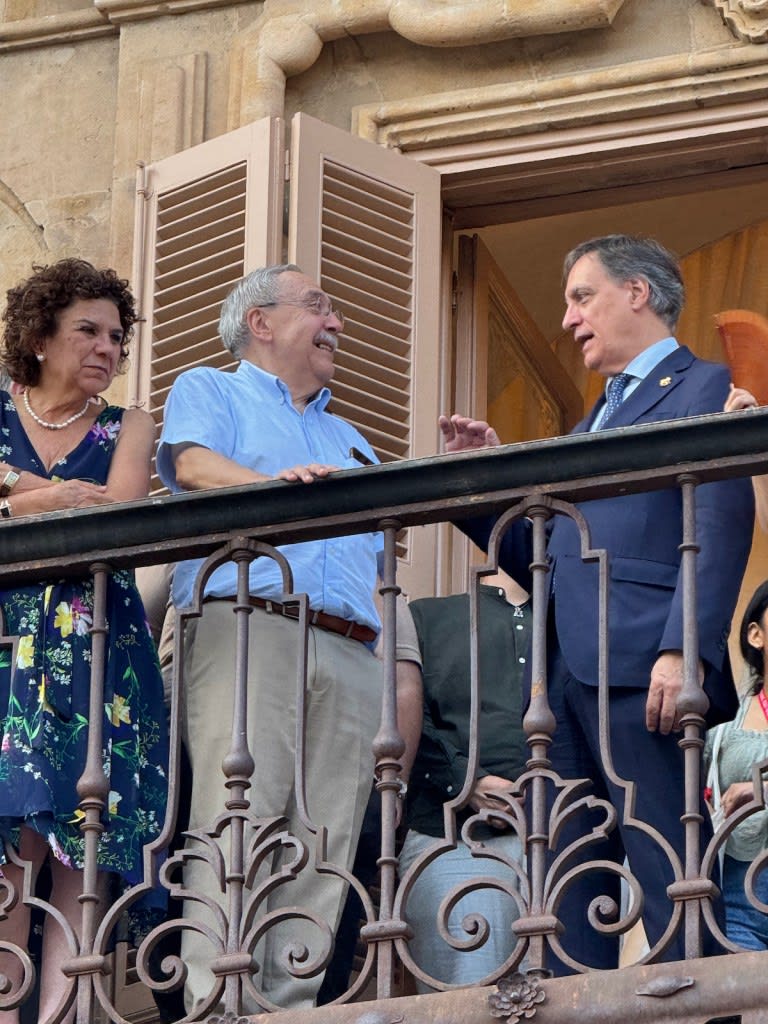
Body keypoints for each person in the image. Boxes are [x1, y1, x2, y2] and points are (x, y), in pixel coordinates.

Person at [441, 234, 754, 973]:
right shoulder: (591, 420)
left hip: (645, 667)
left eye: (583, 297)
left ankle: (700, 1019)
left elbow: (717, 521)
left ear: (637, 294)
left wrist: (683, 648)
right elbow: (541, 559)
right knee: (567, 887)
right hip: (562, 684)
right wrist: (482, 484)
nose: (570, 318)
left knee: (671, 868)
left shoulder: (708, 385)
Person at [156, 264, 394, 1012]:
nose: (338, 324)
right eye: (319, 306)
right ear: (261, 322)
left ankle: (286, 1009)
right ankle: (216, 1005)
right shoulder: (212, 388)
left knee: (322, 844)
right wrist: (273, 488)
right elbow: (191, 465)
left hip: (353, 648)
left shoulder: (352, 437)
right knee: (238, 820)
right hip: (249, 627)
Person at [0, 258, 169, 1024]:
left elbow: (121, 512)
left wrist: (16, 496)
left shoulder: (130, 425)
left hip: (99, 654)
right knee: (7, 847)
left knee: (84, 847)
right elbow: (73, 503)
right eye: (88, 332)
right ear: (39, 338)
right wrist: (47, 496)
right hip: (8, 650)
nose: (107, 348)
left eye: (117, 336)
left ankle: (61, 1019)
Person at [398, 570, 530, 990]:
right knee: (472, 990)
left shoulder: (579, 621)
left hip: (575, 833)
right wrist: (466, 782)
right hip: (451, 835)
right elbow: (404, 716)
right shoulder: (428, 617)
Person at [703, 581, 768, 951]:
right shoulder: (725, 725)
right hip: (738, 895)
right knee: (740, 1004)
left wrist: (760, 790)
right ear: (756, 635)